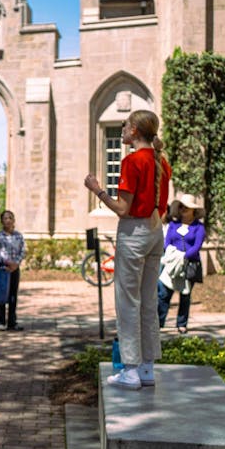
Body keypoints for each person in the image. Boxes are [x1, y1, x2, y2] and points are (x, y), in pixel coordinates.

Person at [84, 109, 172, 390]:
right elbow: (162, 206)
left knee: (127, 302)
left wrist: (97, 190)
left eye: (125, 125)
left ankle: (130, 369)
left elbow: (122, 208)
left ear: (134, 130)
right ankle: (147, 367)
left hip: (134, 232)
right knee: (148, 301)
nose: (122, 130)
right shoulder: (162, 162)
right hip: (156, 231)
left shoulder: (132, 161)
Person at [158, 193, 206, 334]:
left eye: (186, 207)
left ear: (194, 210)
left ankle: (182, 324)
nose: (183, 209)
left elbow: (197, 246)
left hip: (189, 264)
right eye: (181, 206)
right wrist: (174, 254)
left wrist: (184, 256)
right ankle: (158, 322)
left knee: (185, 296)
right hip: (172, 264)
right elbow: (168, 242)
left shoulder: (199, 227)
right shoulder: (174, 224)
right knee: (163, 293)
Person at [0, 210, 26, 332]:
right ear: (2, 221)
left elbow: (22, 251)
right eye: (5, 218)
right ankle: (0, 322)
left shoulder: (18, 236)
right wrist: (7, 263)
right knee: (1, 295)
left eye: (10, 218)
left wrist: (16, 264)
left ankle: (12, 321)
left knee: (12, 296)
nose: (8, 220)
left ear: (14, 220)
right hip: (2, 268)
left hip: (15, 268)